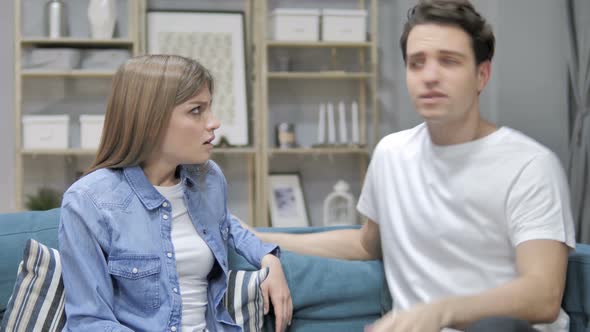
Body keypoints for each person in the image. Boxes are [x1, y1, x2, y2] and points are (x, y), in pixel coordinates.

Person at [254, 1, 575, 331]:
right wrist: (257, 236)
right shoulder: (392, 154)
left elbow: (543, 295)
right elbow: (366, 244)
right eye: (417, 63)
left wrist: (441, 311)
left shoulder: (530, 165)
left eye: (449, 61)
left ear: (482, 75)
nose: (430, 76)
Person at [58, 54, 292, 332]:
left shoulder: (209, 179)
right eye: (197, 110)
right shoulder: (88, 201)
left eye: (210, 108)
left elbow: (226, 226)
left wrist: (269, 259)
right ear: (151, 119)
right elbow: (89, 322)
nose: (214, 122)